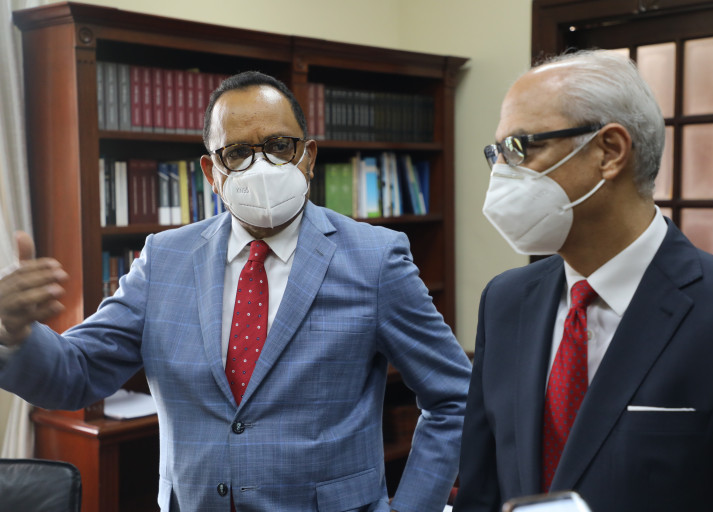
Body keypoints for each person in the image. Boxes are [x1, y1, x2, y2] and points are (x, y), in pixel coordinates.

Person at [0, 71, 471, 512]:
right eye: (238, 152)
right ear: (211, 172)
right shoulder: (164, 259)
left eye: (279, 146)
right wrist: (14, 333)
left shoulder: (375, 259)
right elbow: (75, 374)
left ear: (308, 157)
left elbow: (454, 398)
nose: (261, 165)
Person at [453, 50, 713, 512]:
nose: (502, 173)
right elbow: (481, 491)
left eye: (519, 148)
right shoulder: (505, 300)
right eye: (497, 153)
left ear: (610, 152)